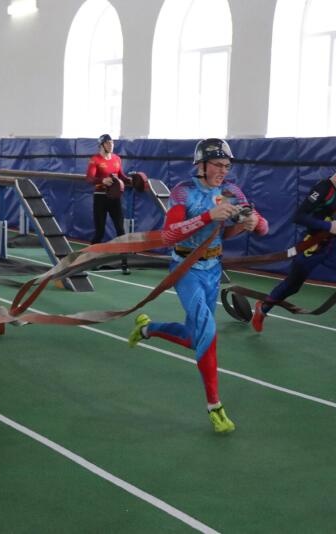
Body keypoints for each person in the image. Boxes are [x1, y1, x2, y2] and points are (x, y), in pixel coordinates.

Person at [128, 138, 269, 434]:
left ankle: (148, 329)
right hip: (186, 268)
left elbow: (262, 227)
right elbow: (168, 235)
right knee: (207, 329)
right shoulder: (183, 192)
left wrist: (252, 223)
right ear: (202, 165)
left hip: (213, 270)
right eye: (218, 165)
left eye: (227, 165)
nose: (223, 171)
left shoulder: (231, 192)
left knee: (195, 337)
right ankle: (214, 406)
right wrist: (208, 216)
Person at [251, 155, 336, 340]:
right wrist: (327, 226)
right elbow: (299, 216)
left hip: (331, 247)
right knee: (292, 286)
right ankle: (263, 308)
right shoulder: (322, 189)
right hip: (311, 247)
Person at [85, 133, 131, 274]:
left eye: (112, 143)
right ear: (101, 145)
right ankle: (91, 261)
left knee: (121, 230)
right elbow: (89, 178)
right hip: (100, 198)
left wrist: (131, 180)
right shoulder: (95, 160)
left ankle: (124, 264)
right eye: (108, 143)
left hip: (115, 198)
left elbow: (121, 175)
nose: (111, 145)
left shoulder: (117, 159)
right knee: (100, 231)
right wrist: (102, 180)